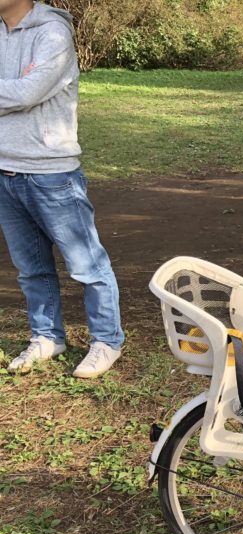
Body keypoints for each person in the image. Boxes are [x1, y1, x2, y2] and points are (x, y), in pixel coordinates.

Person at [0, 0, 123, 378]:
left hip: (52, 172)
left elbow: (27, 93)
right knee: (30, 269)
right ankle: (47, 337)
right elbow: (16, 93)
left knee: (87, 266)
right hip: (5, 169)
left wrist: (17, 93)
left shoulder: (53, 31)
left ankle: (106, 340)